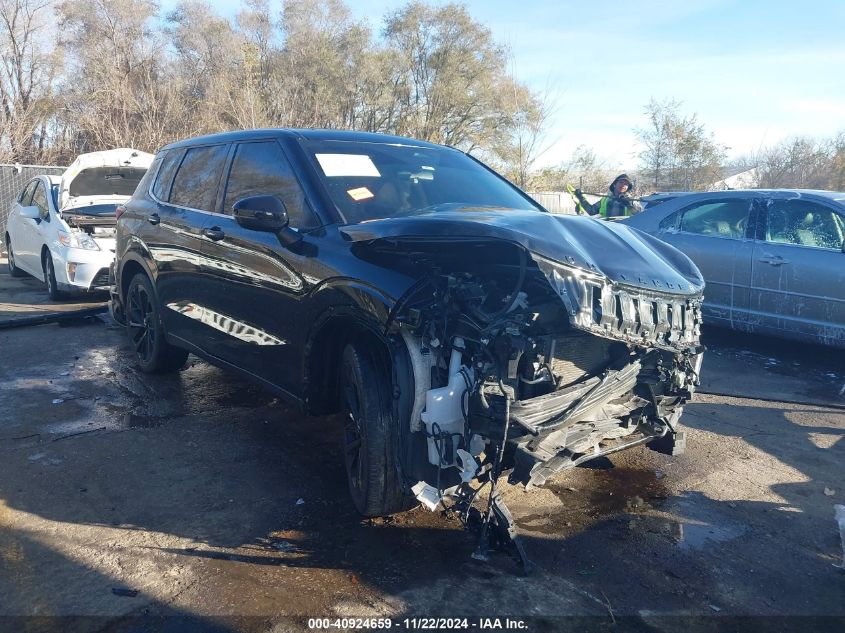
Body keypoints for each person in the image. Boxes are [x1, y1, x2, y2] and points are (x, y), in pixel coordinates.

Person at [572, 174, 641, 218]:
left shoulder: (632, 200)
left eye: (626, 184)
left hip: (623, 235)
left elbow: (641, 216)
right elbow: (591, 211)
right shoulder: (605, 199)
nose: (623, 185)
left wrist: (629, 205)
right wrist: (581, 198)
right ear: (614, 184)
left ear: (627, 187)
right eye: (621, 182)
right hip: (607, 233)